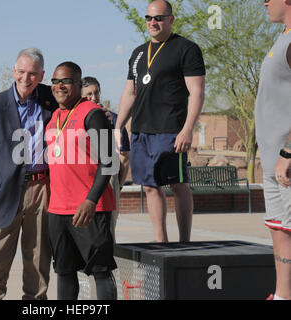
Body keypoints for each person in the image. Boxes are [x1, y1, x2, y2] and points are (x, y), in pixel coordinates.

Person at [0, 48, 57, 300]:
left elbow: (79, 108)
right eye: (21, 72)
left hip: (42, 189)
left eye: (32, 74)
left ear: (41, 75)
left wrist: (105, 115)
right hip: (5, 191)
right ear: (13, 70)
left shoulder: (52, 98)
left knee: (39, 260)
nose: (25, 78)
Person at [114, 0, 206, 243]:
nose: (152, 22)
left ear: (171, 19)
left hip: (171, 130)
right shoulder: (138, 53)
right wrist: (119, 124)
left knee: (177, 184)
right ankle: (161, 243)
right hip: (141, 131)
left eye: (159, 18)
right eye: (148, 18)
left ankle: (184, 241)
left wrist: (187, 129)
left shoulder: (186, 49)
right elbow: (129, 93)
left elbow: (197, 92)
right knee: (149, 186)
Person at [45, 62, 118, 300]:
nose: (59, 86)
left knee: (101, 272)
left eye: (65, 81)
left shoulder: (93, 114)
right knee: (64, 272)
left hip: (90, 209)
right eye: (55, 81)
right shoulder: (54, 116)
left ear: (78, 83)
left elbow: (109, 163)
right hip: (58, 209)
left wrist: (90, 200)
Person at [255, 0, 291, 301]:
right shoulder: (282, 36)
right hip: (272, 160)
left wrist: (288, 151)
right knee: (279, 228)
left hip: (286, 160)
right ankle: (282, 295)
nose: (264, 2)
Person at [81, 76, 131, 241]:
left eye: (96, 93)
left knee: (108, 227)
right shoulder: (77, 119)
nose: (93, 97)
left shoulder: (115, 120)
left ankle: (109, 262)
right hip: (82, 178)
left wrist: (119, 184)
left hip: (108, 178)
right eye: (88, 94)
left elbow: (124, 156)